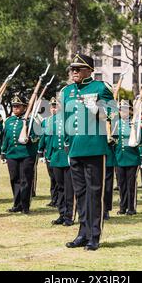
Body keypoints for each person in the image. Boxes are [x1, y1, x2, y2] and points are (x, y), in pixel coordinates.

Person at [61, 53, 115, 251]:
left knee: (94, 192)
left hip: (93, 147)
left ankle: (94, 234)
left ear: (89, 70)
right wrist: (67, 145)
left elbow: (114, 113)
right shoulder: (67, 91)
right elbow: (65, 119)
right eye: (72, 69)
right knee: (80, 193)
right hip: (75, 148)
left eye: (78, 68)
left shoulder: (100, 88)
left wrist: (98, 110)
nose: (74, 72)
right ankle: (82, 233)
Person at [1, 95, 39, 215]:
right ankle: (17, 204)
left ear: (24, 107)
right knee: (14, 179)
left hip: (26, 154)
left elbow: (37, 136)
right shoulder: (8, 121)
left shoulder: (32, 120)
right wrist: (3, 152)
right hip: (12, 154)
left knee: (25, 180)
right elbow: (6, 138)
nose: (15, 108)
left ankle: (25, 205)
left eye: (18, 106)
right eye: (14, 106)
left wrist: (30, 139)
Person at [43, 97, 75, 226]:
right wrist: (48, 155)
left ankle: (69, 216)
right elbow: (49, 139)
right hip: (56, 157)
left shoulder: (70, 118)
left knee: (69, 188)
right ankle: (61, 213)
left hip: (67, 157)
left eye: (57, 105)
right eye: (53, 106)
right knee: (59, 187)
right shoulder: (51, 120)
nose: (54, 108)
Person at [115, 100, 140, 215]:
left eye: (125, 109)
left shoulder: (135, 124)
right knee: (121, 184)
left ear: (130, 111)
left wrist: (135, 129)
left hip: (132, 158)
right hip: (119, 157)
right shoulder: (116, 123)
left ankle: (131, 207)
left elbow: (139, 140)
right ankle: (122, 207)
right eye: (121, 109)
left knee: (131, 184)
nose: (123, 112)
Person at [38, 100, 59, 207]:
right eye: (52, 107)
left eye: (55, 107)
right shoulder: (45, 121)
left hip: (58, 153)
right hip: (48, 153)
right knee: (52, 178)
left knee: (59, 178)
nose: (54, 109)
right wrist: (40, 152)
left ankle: (59, 200)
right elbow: (42, 137)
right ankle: (53, 199)